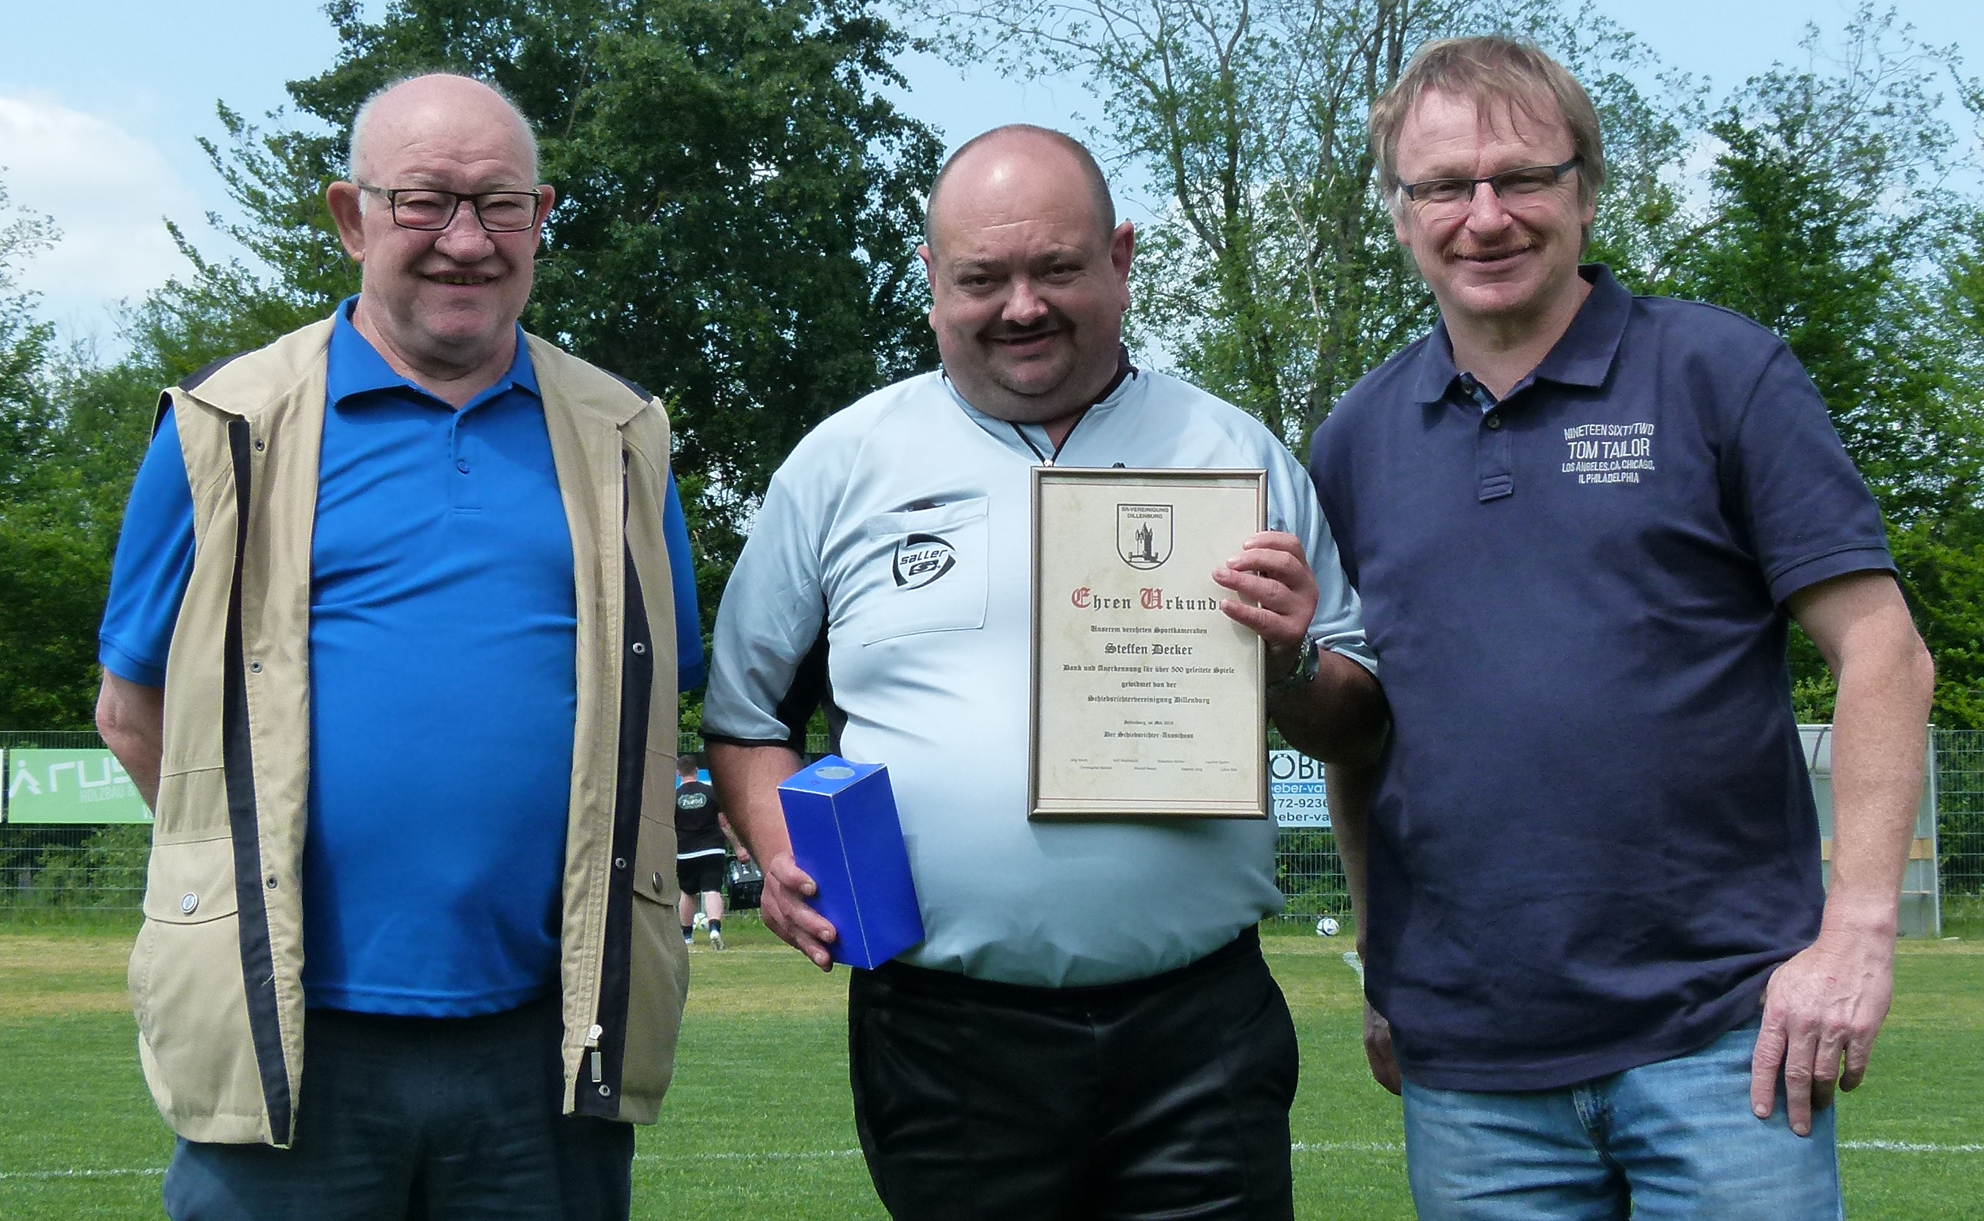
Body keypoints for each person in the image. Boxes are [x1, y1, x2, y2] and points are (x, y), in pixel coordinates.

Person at [700, 124, 1388, 1220]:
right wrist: (784, 856)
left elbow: (1361, 727)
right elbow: (742, 717)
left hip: (1197, 1027)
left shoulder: (1234, 452)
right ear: (932, 281)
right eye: (983, 277)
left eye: (1056, 268)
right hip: (944, 1033)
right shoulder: (843, 462)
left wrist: (1289, 660)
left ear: (1120, 259)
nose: (1021, 305)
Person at [1307, 36, 1936, 1218]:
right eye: (1444, 186)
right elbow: (1363, 731)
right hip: (1473, 1072)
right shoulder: (1354, 438)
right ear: (1401, 213)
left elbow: (1884, 653)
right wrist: (1382, 972)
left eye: (1522, 178)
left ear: (1586, 190)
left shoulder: (1720, 373)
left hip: (1722, 1042)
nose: (1484, 216)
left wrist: (1855, 931)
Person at [93, 72, 704, 1221]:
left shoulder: (625, 438)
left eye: (501, 205)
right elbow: (133, 712)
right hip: (291, 1039)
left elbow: (656, 703)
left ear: (541, 217)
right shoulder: (223, 426)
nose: (464, 241)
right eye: (424, 202)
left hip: (547, 1049)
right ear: (348, 215)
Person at [674, 753, 747, 949]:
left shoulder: (674, 797)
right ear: (696, 771)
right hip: (712, 850)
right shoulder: (711, 792)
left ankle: (687, 937)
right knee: (712, 891)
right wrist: (739, 848)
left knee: (688, 893)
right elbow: (724, 824)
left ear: (678, 772)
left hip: (685, 852)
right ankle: (714, 928)